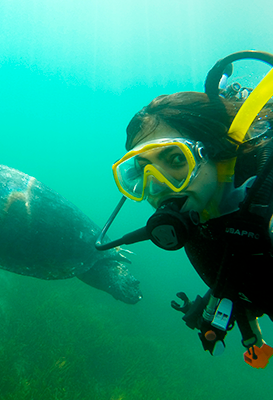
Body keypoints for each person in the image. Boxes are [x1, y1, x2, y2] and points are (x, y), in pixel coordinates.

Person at [96, 50, 273, 369]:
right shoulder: (201, 216)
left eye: (176, 159)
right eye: (141, 171)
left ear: (220, 155)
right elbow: (240, 269)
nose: (158, 186)